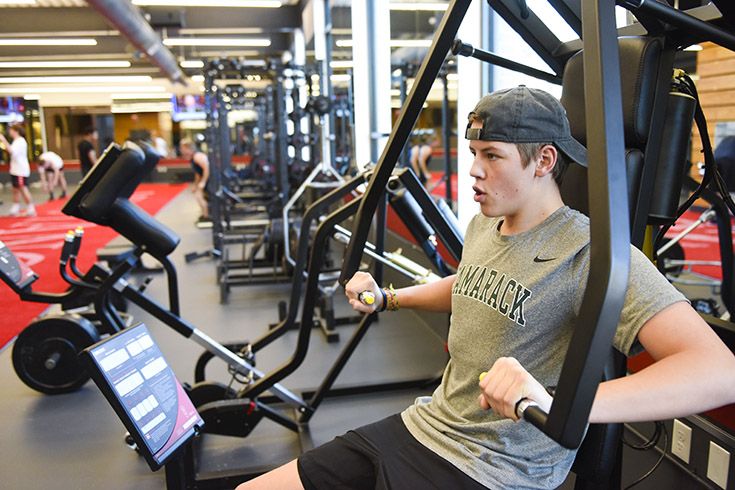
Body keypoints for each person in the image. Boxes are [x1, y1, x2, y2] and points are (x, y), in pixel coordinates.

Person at [239, 86, 735, 489]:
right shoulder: (486, 224)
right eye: (474, 153)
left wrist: (558, 403)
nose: (474, 169)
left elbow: (718, 371)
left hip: (494, 469)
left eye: (492, 156)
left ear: (543, 161)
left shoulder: (593, 253)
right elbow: (470, 284)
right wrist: (389, 299)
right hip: (426, 425)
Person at [0, 123, 35, 216]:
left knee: (23, 188)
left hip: (20, 170)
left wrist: (3, 140)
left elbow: (12, 152)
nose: (9, 132)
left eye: (11, 130)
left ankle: (30, 207)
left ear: (16, 131)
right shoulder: (16, 141)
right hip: (15, 169)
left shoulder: (20, 141)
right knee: (15, 189)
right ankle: (15, 207)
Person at [179, 138, 210, 222]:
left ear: (188, 148)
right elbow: (197, 174)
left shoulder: (197, 156)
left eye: (182, 148)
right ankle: (205, 214)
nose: (181, 150)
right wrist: (196, 185)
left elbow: (207, 168)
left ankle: (206, 216)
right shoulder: (193, 157)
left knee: (199, 196)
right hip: (206, 179)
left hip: (210, 179)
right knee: (198, 194)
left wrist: (203, 182)